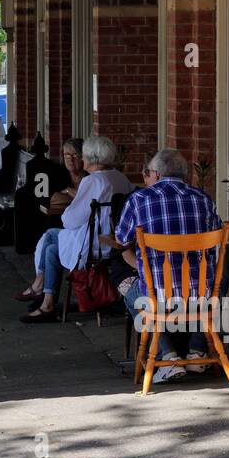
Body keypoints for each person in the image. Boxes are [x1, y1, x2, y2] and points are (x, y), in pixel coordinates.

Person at [113, 148, 223, 384]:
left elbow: (121, 239)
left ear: (156, 173)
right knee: (219, 285)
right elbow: (215, 239)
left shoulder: (140, 199)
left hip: (158, 299)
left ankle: (167, 356)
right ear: (186, 175)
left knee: (129, 291)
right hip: (200, 298)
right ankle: (196, 350)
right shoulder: (203, 199)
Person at [16, 136, 135, 323]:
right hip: (114, 240)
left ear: (92, 158)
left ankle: (44, 295)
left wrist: (68, 210)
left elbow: (70, 220)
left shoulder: (93, 181)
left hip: (94, 244)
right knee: (50, 239)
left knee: (51, 246)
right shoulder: (120, 178)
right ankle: (44, 295)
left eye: (83, 155)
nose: (82, 160)